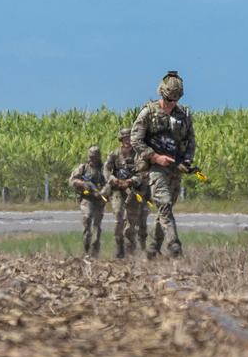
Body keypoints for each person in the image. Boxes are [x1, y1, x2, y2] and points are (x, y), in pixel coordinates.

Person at [130, 71, 196, 259]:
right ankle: (174, 245)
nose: (171, 104)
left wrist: (187, 161)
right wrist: (155, 157)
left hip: (175, 168)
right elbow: (136, 140)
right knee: (164, 204)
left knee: (164, 212)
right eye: (168, 99)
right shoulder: (148, 113)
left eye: (175, 100)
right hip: (155, 168)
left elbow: (190, 141)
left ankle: (152, 248)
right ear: (162, 94)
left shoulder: (184, 115)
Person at [105, 128, 148, 258]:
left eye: (129, 138)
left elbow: (143, 172)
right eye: (125, 139)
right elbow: (106, 169)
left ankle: (130, 250)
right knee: (119, 217)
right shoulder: (114, 154)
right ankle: (119, 246)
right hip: (118, 191)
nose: (127, 141)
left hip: (133, 192)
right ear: (121, 140)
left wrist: (131, 181)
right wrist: (113, 179)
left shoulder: (138, 155)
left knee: (130, 223)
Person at [69, 145, 108, 258]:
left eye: (95, 157)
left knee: (97, 226)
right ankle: (86, 250)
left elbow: (109, 182)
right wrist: (81, 183)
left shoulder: (103, 169)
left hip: (99, 199)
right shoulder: (83, 167)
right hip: (86, 199)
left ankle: (95, 252)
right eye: (91, 157)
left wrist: (101, 193)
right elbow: (71, 180)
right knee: (87, 219)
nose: (93, 160)